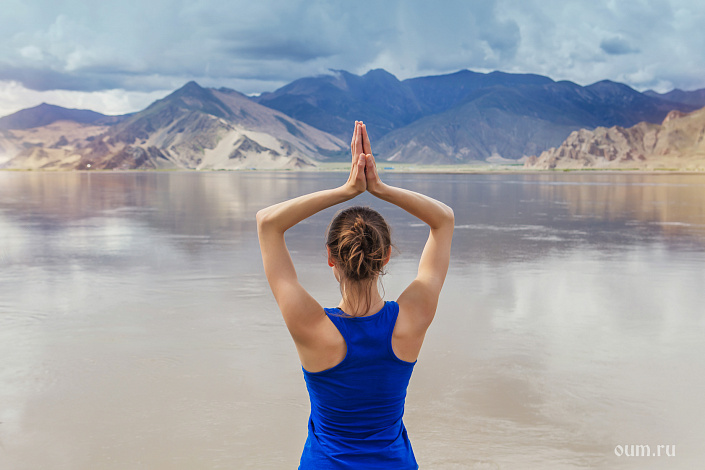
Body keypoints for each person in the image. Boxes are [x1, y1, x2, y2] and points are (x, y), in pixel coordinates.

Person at [256, 121, 454, 469]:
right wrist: (378, 187)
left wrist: (347, 189)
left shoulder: (311, 326)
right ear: (387, 255)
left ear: (330, 257)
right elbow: (444, 220)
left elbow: (267, 223)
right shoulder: (411, 319)